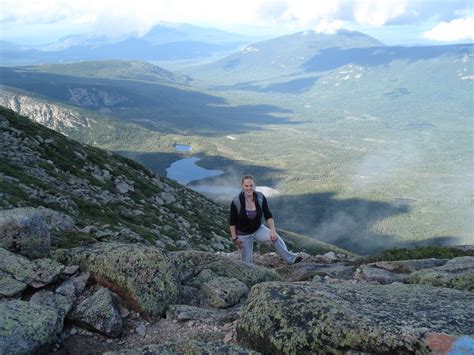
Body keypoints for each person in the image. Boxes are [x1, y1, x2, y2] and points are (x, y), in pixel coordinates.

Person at [229, 174, 302, 264]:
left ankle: (291, 259)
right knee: (247, 263)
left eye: (251, 185)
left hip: (258, 229)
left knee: (276, 238)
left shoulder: (260, 197)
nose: (249, 188)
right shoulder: (236, 201)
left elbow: (268, 215)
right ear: (242, 186)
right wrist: (235, 238)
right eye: (246, 186)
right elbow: (232, 222)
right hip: (243, 234)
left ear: (254, 186)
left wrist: (273, 230)